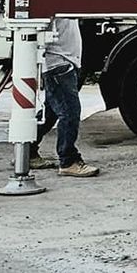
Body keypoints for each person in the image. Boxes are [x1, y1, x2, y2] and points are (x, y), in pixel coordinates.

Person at [34, 15, 101, 177]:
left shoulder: (62, 1)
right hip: (58, 63)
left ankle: (27, 150)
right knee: (70, 113)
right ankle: (68, 160)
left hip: (64, 61)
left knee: (50, 113)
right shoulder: (52, 0)